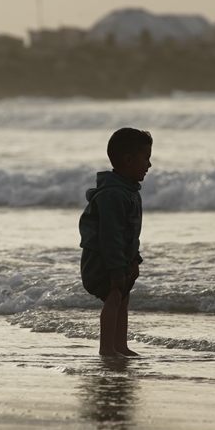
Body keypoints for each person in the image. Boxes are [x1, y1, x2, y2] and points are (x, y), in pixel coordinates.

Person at [78, 128, 152, 357]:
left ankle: (120, 345)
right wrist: (115, 268)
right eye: (146, 158)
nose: (149, 165)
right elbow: (109, 235)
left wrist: (134, 259)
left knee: (123, 297)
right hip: (102, 260)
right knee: (114, 296)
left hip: (119, 258)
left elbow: (130, 233)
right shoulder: (113, 195)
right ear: (128, 160)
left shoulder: (129, 192)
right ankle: (106, 349)